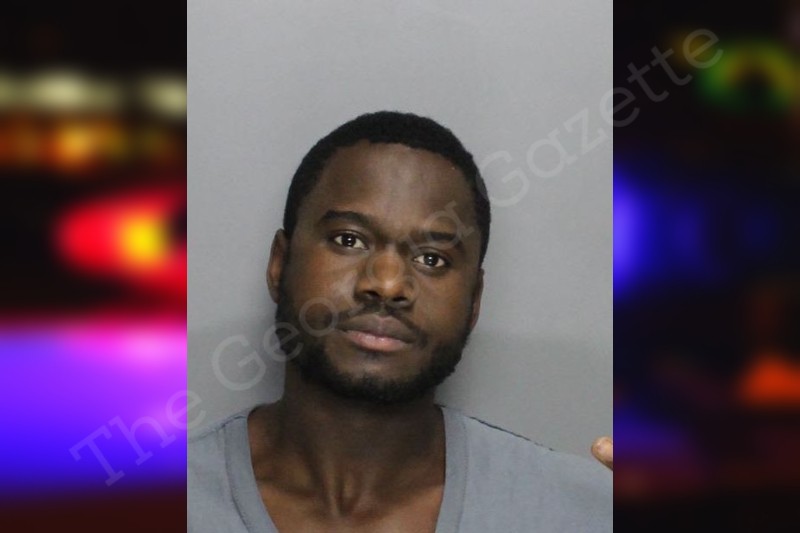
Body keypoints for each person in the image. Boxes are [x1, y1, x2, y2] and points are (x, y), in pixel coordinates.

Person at [188, 111, 612, 532]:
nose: (388, 284)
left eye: (432, 259)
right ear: (280, 264)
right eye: (348, 239)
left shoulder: (583, 512)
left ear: (474, 300)